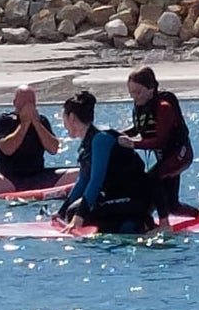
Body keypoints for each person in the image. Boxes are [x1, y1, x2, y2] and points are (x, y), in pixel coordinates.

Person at [115, 65, 199, 223]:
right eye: (131, 93)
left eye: (138, 92)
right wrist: (116, 135)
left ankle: (164, 223)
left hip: (180, 155)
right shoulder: (141, 105)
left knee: (153, 178)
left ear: (151, 89)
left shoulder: (164, 108)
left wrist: (133, 145)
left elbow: (160, 140)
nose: (135, 97)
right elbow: (139, 128)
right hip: (165, 158)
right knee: (172, 205)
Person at [54, 91, 155, 234]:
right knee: (72, 212)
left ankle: (138, 224)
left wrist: (78, 219)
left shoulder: (101, 139)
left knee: (78, 213)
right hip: (116, 196)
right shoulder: (87, 143)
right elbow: (83, 181)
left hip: (135, 197)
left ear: (71, 117)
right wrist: (61, 212)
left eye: (63, 117)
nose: (63, 123)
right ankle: (127, 222)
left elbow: (96, 181)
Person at [0, 86, 72, 198]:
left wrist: (37, 124)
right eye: (25, 102)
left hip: (38, 175)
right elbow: (7, 149)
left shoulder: (41, 121)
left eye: (31, 102)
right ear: (15, 103)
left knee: (76, 175)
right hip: (10, 178)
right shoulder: (4, 121)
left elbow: (53, 149)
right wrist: (24, 124)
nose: (28, 106)